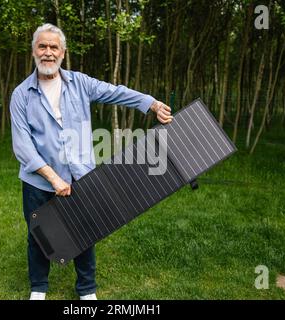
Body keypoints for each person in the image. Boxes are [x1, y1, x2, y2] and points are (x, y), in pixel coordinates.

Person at [9, 23, 173, 301]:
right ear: (33, 51)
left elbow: (116, 92)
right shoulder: (21, 95)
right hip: (39, 181)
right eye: (42, 46)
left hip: (80, 175)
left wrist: (152, 104)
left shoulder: (80, 83)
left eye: (54, 47)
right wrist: (53, 178)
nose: (48, 53)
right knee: (39, 234)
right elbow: (22, 146)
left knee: (84, 231)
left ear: (63, 52)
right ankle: (38, 288)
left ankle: (86, 289)